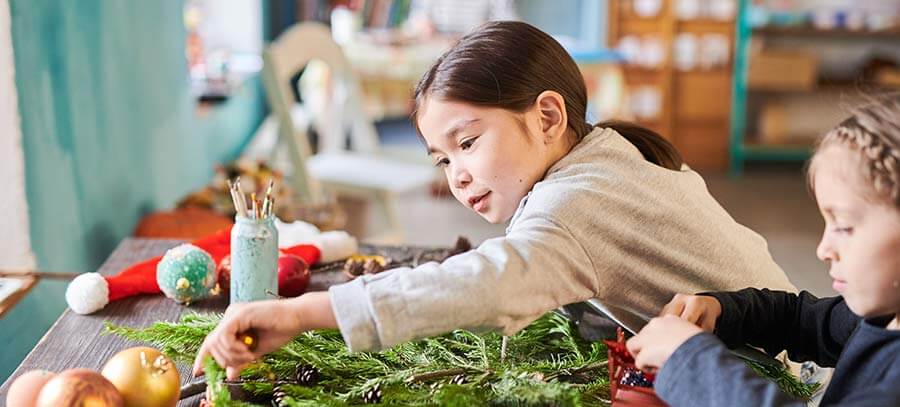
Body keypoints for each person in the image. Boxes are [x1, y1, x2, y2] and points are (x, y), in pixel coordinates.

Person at [193, 21, 794, 380]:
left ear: (549, 116)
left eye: (468, 142)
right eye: (442, 158)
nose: (456, 175)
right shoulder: (607, 151)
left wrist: (301, 314)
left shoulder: (576, 205)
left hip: (777, 385)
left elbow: (488, 284)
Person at [626, 95, 900, 406]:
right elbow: (799, 320)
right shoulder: (885, 315)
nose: (823, 249)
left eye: (845, 226)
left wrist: (690, 360)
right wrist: (722, 311)